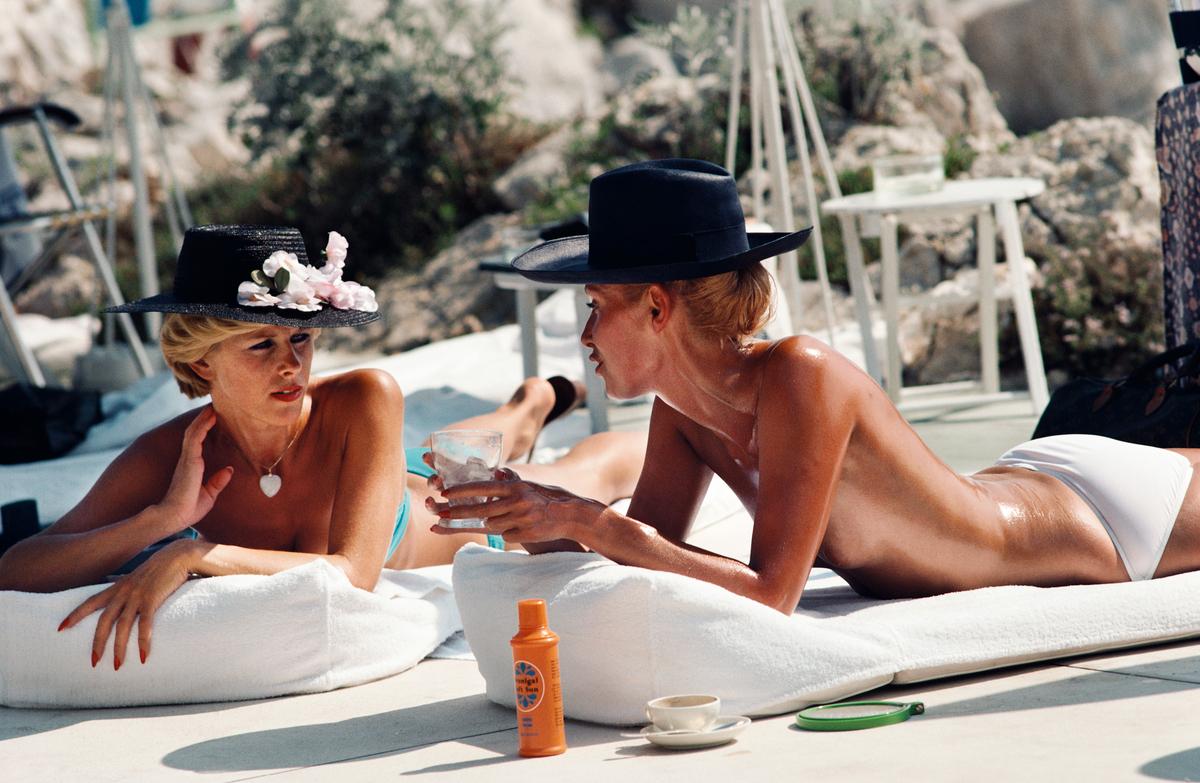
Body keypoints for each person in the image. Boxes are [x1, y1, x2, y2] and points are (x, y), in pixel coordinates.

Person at [429, 158, 1200, 612]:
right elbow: (651, 551)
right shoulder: (681, 413)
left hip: (1105, 515)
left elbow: (771, 594)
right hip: (1027, 475)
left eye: (596, 309)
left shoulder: (801, 374)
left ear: (658, 306)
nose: (587, 338)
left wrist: (594, 521)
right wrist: (526, 513)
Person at [0, 224, 645, 668]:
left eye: (300, 341)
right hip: (390, 467)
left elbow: (354, 574)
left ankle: (537, 404)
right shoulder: (165, 454)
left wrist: (193, 555)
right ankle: (528, 402)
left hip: (442, 507)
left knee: (576, 472)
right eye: (261, 345)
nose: (291, 365)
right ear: (201, 367)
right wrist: (158, 523)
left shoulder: (367, 395)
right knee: (458, 444)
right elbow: (17, 569)